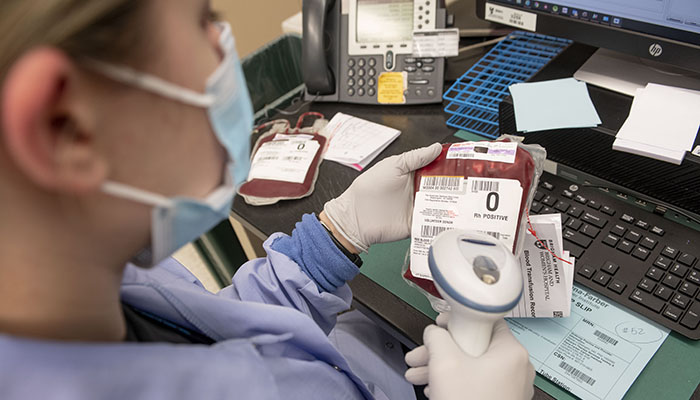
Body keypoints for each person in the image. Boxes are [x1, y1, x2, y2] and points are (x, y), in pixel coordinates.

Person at [0, 1, 535, 399]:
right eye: (201, 19)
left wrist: (333, 235)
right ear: (62, 127)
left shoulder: (85, 282)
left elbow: (221, 331)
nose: (221, 46)